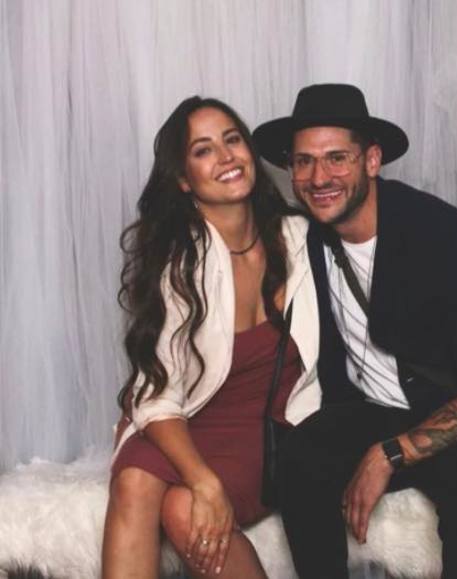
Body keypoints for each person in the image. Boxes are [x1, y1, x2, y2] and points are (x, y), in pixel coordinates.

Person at [253, 83, 457, 579]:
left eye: (337, 158)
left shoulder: (446, 238)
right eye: (303, 162)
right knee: (300, 458)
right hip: (371, 411)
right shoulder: (307, 236)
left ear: (372, 160)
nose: (319, 178)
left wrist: (390, 454)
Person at [101, 95, 321, 579]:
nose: (225, 157)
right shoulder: (178, 260)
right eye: (203, 150)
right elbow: (157, 391)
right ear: (183, 179)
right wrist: (204, 481)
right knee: (135, 480)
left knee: (181, 509)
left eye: (232, 139)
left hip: (269, 428)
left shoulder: (302, 239)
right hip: (184, 417)